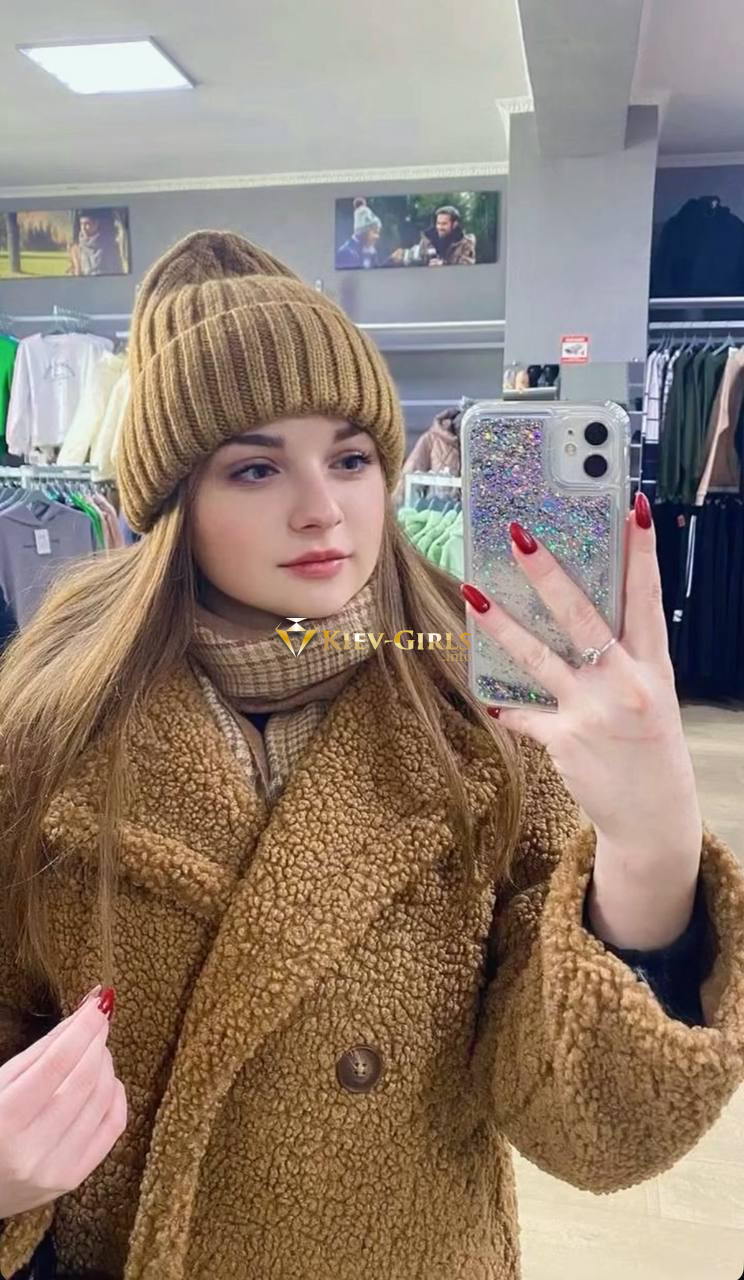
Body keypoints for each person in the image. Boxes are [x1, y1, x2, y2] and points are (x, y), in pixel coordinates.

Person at [0, 230, 741, 1280]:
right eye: (256, 467)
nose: (323, 509)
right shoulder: (47, 730)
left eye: (350, 458)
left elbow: (595, 1133)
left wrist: (651, 851)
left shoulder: (482, 725)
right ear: (171, 505)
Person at [390, 203, 476, 266]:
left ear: (454, 224)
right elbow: (419, 257)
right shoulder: (427, 239)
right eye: (438, 223)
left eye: (444, 224)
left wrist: (443, 265)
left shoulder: (465, 243)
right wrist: (402, 256)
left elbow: (467, 268)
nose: (440, 227)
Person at [69, 210, 124, 277]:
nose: (83, 228)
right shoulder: (76, 248)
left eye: (87, 224)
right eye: (81, 224)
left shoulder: (109, 247)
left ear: (96, 224)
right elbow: (75, 272)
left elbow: (117, 272)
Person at [335, 197, 382, 269]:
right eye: (375, 232)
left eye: (378, 233)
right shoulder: (347, 253)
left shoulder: (371, 250)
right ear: (363, 232)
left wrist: (391, 261)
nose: (377, 237)